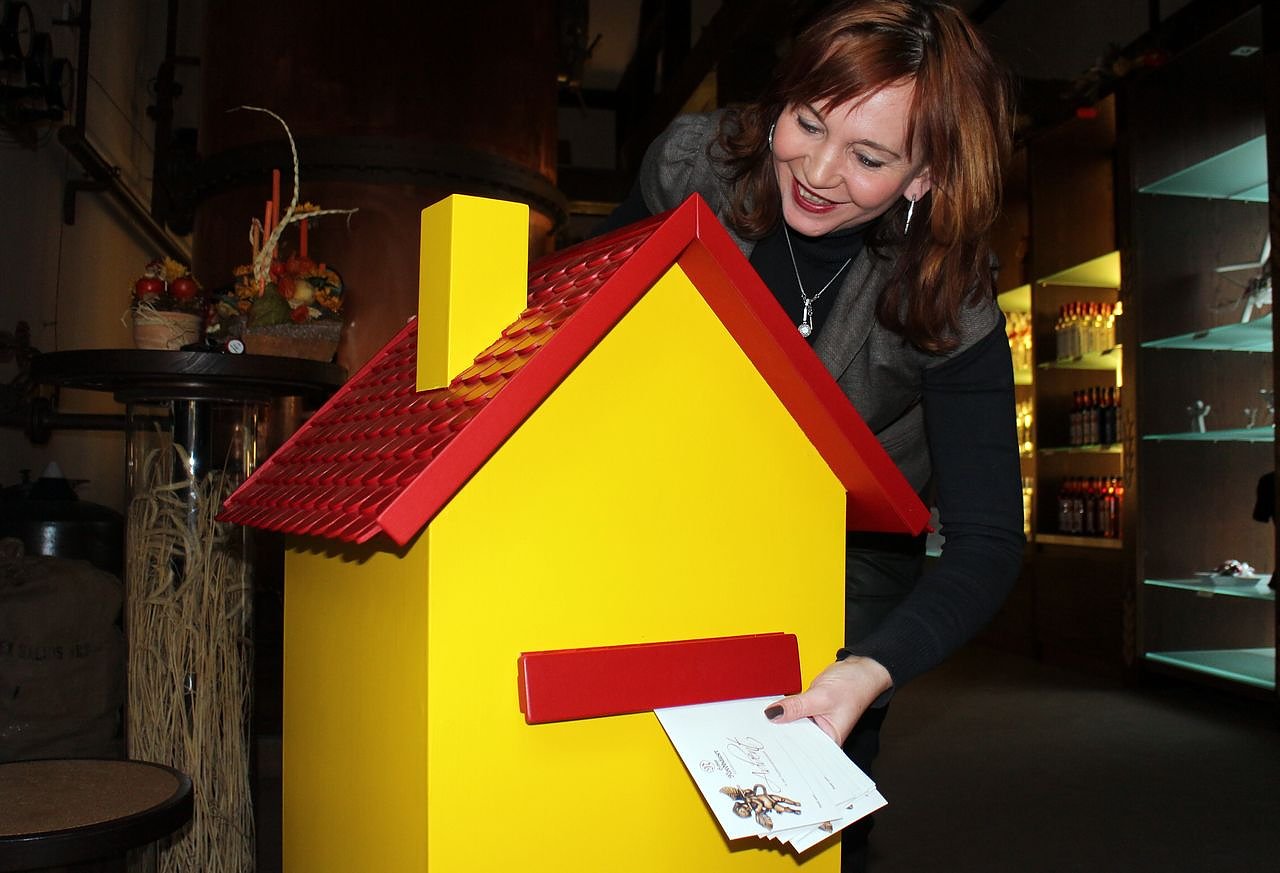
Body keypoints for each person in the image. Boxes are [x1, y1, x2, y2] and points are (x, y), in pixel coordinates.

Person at [595, 1, 1024, 869]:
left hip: (847, 546)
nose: (820, 172)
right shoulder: (695, 166)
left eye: (869, 158)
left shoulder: (947, 292)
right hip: (677, 493)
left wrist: (869, 668)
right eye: (809, 123)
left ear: (924, 176)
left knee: (805, 815)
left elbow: (988, 541)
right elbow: (584, 314)